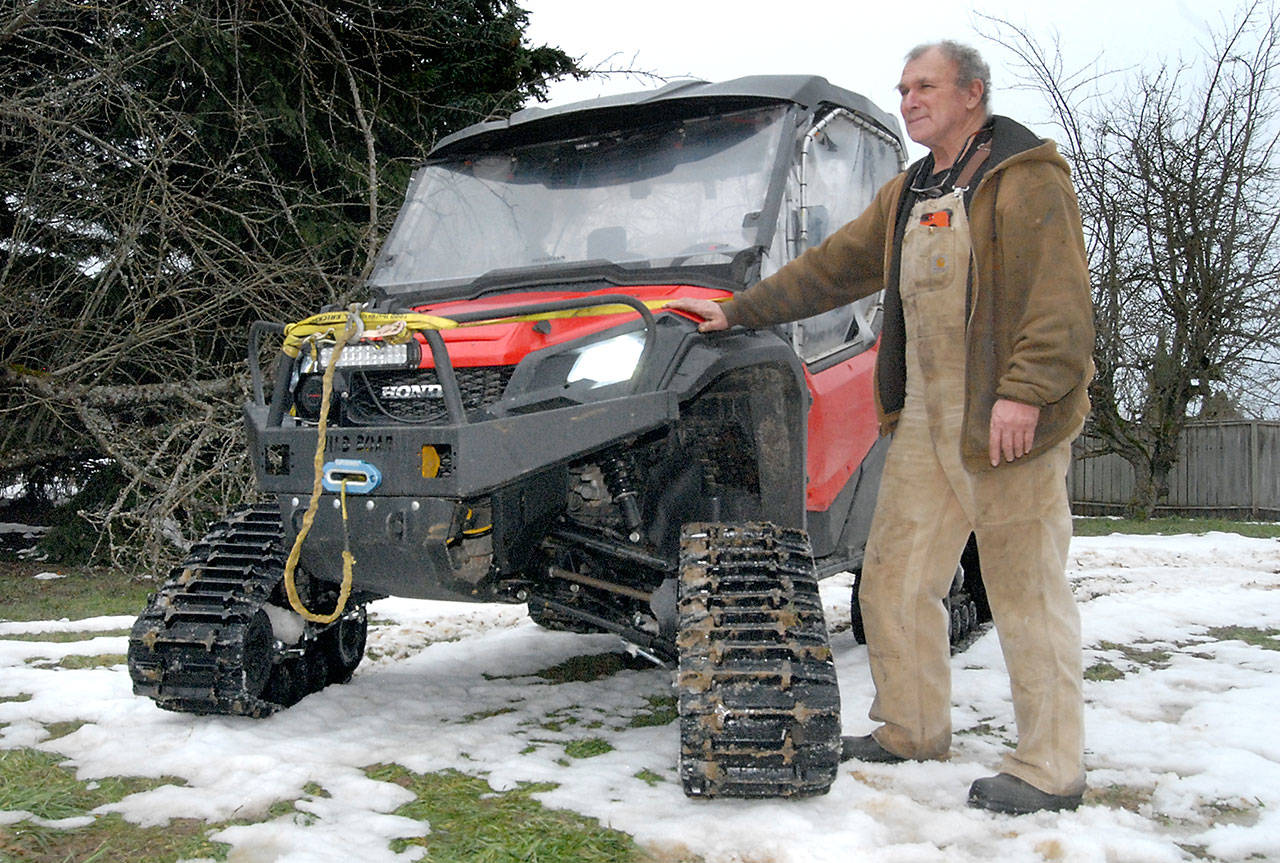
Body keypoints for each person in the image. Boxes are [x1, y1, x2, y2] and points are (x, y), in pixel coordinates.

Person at [666, 41, 1094, 815]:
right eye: (901, 88)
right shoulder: (910, 192)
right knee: (894, 579)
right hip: (927, 414)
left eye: (924, 86)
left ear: (972, 93)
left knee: (1025, 588)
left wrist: (1025, 393)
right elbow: (831, 267)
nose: (907, 99)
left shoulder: (1026, 178)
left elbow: (1059, 301)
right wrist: (736, 310)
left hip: (1005, 415)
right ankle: (912, 726)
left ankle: (1051, 765)